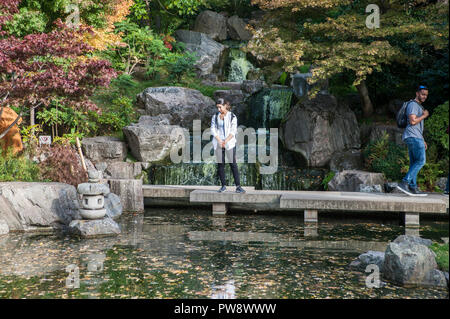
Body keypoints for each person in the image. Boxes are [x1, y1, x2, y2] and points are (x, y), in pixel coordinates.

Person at [396, 85, 429, 196]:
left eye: (426, 95)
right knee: (421, 161)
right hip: (413, 136)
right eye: (422, 94)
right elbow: (413, 122)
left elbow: (417, 126)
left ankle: (413, 187)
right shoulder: (413, 105)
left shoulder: (418, 106)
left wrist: (422, 139)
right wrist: (424, 116)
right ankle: (404, 182)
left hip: (415, 136)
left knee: (414, 162)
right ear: (417, 93)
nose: (424, 96)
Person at [211, 98, 245, 194]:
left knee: (233, 164)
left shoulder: (232, 117)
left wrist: (225, 141)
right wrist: (219, 140)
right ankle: (223, 186)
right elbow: (213, 129)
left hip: (229, 143)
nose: (218, 110)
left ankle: (238, 187)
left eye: (220, 107)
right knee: (221, 165)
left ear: (225, 105)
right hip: (218, 143)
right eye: (217, 107)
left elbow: (233, 131)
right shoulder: (215, 116)